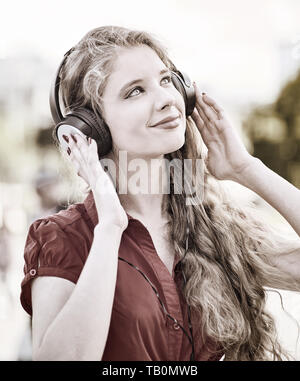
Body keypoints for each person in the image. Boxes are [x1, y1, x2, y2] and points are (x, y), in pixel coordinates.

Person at [20, 26, 300, 361]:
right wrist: (110, 226)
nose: (167, 99)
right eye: (135, 91)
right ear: (89, 127)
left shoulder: (215, 228)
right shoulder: (63, 238)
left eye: (166, 80)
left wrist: (246, 169)